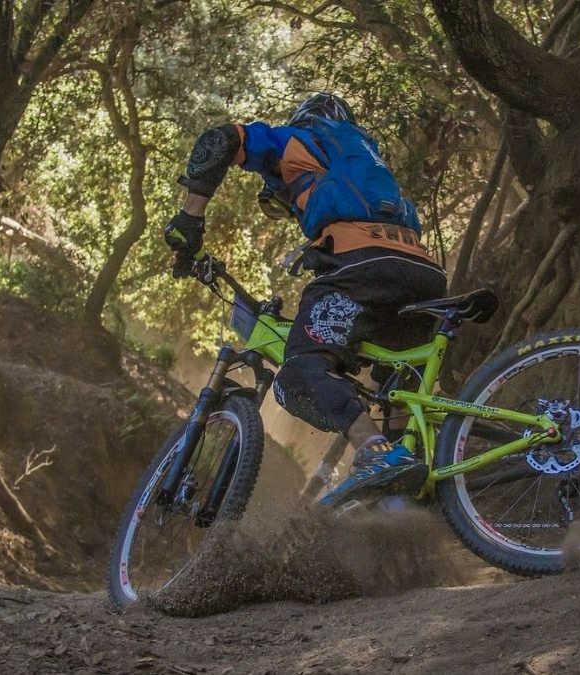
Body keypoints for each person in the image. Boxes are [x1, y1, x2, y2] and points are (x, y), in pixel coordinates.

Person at [163, 93, 447, 506]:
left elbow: (220, 140)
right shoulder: (370, 161)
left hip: (361, 269)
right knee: (396, 387)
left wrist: (189, 220)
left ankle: (372, 450)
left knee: (300, 369)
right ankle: (410, 494)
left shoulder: (304, 138)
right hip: (422, 274)